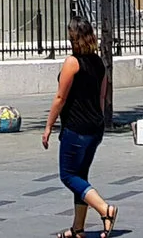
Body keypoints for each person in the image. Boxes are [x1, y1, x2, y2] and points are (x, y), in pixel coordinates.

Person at [42, 17, 118, 237]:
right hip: (95, 128)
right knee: (81, 176)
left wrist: (48, 126)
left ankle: (105, 209)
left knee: (67, 175)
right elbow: (102, 97)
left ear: (74, 37)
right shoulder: (99, 63)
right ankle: (78, 229)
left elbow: (60, 97)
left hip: (76, 129)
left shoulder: (72, 63)